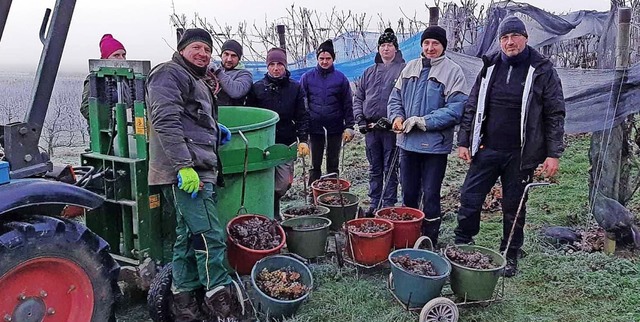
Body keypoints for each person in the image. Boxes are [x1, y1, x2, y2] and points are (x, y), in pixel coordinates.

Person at [454, 16, 565, 277]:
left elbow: (555, 113)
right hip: (487, 148)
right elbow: (472, 105)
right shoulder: (490, 66)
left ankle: (510, 253)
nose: (509, 42)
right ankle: (462, 243)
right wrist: (463, 140)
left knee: (514, 205)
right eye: (504, 37)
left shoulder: (541, 69)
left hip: (521, 153)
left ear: (525, 38)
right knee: (470, 197)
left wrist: (553, 153)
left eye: (514, 36)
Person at [146, 28, 244, 321]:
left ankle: (184, 304)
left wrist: (215, 132)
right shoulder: (169, 73)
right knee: (209, 236)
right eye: (197, 48)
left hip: (200, 168)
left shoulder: (196, 79)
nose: (203, 54)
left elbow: (193, 120)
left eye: (207, 49)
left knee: (187, 237)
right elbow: (165, 120)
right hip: (188, 174)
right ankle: (220, 301)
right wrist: (183, 166)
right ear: (182, 48)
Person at [387, 26, 468, 246]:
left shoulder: (453, 72)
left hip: (434, 147)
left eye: (435, 44)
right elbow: (395, 98)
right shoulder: (410, 68)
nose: (430, 48)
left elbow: (456, 108)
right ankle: (408, 237)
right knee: (409, 193)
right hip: (407, 144)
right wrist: (396, 117)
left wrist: (424, 121)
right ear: (421, 45)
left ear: (443, 46)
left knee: (431, 194)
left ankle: (430, 239)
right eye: (426, 43)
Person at [246, 47, 310, 218]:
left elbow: (302, 115)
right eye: (272, 64)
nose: (276, 68)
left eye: (279, 64)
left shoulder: (295, 88)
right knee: (263, 181)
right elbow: (250, 116)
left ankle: (274, 203)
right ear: (267, 66)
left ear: (285, 66)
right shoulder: (257, 88)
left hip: (285, 142)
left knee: (282, 184)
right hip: (262, 144)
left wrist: (303, 139)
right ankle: (269, 213)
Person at [353, 28, 405, 217]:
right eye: (382, 45)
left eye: (389, 45)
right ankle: (374, 202)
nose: (385, 49)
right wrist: (360, 119)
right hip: (371, 128)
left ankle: (388, 204)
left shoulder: (403, 70)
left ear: (396, 48)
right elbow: (358, 97)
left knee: (390, 167)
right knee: (374, 167)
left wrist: (392, 120)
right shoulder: (369, 72)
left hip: (391, 129)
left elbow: (405, 99)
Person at [300, 39, 355, 186]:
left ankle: (332, 192)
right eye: (321, 58)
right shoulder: (307, 78)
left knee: (333, 163)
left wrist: (349, 126)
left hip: (335, 127)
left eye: (328, 58)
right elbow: (302, 105)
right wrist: (304, 132)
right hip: (315, 128)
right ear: (317, 59)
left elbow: (347, 104)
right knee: (315, 164)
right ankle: (314, 192)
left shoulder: (341, 78)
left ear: (333, 59)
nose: (324, 62)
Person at [80, 34, 126, 122]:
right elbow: (86, 109)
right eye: (116, 55)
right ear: (105, 58)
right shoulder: (95, 80)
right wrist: (112, 118)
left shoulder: (127, 79)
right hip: (105, 132)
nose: (122, 59)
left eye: (123, 55)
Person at [211, 39, 253, 106]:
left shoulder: (245, 74)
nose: (229, 59)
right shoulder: (212, 70)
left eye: (233, 56)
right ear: (221, 55)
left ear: (239, 58)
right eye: (226, 54)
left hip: (232, 114)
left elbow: (236, 92)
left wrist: (218, 72)